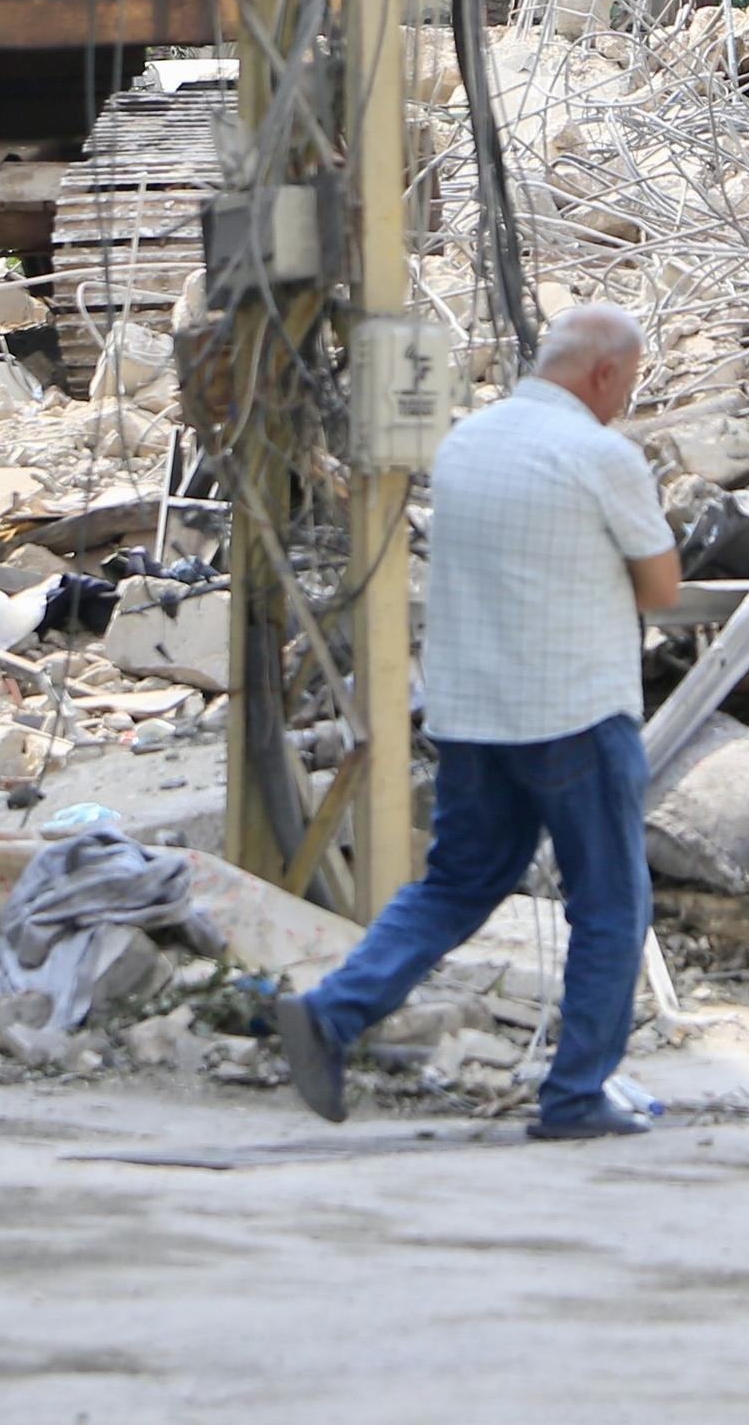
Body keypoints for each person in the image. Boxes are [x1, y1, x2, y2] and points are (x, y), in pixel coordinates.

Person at [277, 303, 681, 1141]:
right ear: (605, 373)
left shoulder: (464, 443)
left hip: (472, 713)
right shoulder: (600, 454)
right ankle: (576, 1094)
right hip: (574, 709)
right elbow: (662, 588)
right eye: (628, 385)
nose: (624, 402)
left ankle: (334, 1011)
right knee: (611, 905)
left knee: (458, 884)